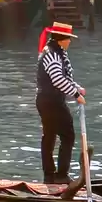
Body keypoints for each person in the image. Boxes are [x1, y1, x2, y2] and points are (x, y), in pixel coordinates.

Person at [36, 22, 86, 184]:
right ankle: (60, 175)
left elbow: (63, 77)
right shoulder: (52, 54)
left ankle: (50, 175)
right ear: (61, 39)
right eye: (68, 38)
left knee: (49, 136)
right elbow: (57, 80)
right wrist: (76, 94)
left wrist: (77, 87)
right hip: (51, 102)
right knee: (67, 135)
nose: (70, 41)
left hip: (48, 101)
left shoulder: (55, 53)